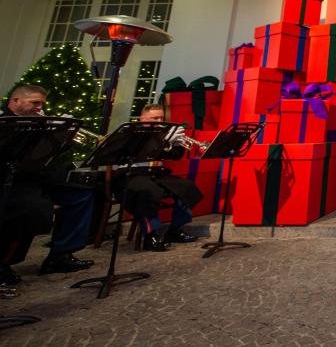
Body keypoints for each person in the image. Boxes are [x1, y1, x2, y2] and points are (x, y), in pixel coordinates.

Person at [0, 85, 95, 287]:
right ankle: (5, 262)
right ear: (15, 101)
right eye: (35, 103)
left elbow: (47, 155)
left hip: (38, 177)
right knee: (31, 209)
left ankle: (60, 255)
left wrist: (64, 138)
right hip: (12, 181)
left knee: (82, 196)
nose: (40, 107)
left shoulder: (41, 123)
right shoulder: (5, 122)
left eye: (42, 103)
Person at [113, 104, 202, 251]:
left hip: (156, 173)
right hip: (132, 174)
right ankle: (150, 235)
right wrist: (164, 141)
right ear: (142, 118)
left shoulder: (162, 133)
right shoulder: (132, 133)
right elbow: (136, 153)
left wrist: (176, 144)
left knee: (187, 187)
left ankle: (175, 229)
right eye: (155, 118)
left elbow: (175, 157)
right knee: (148, 192)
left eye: (161, 117)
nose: (160, 120)